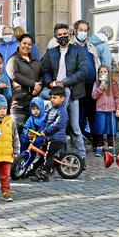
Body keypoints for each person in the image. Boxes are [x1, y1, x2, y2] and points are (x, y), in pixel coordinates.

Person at [41, 23, 88, 168]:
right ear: (55, 36)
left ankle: (81, 157)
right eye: (59, 34)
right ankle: (61, 156)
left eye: (64, 34)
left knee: (74, 126)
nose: (62, 36)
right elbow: (46, 71)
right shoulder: (51, 52)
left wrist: (65, 82)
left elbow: (82, 71)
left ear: (70, 34)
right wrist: (50, 83)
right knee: (57, 123)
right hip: (55, 92)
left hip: (72, 92)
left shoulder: (78, 50)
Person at [71, 20, 101, 141]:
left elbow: (96, 62)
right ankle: (81, 138)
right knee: (79, 114)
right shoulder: (71, 45)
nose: (83, 33)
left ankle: (95, 139)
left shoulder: (90, 46)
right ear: (75, 31)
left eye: (85, 30)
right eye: (80, 30)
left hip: (91, 85)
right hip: (77, 84)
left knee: (93, 112)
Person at [6, 33, 42, 132]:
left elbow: (42, 75)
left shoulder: (35, 60)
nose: (26, 46)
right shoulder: (13, 59)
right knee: (16, 135)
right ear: (19, 43)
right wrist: (32, 84)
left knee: (31, 135)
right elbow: (14, 74)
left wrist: (39, 86)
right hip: (19, 104)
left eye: (29, 44)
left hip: (33, 104)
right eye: (24, 43)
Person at [34, 87, 69, 182]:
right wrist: (39, 131)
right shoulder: (51, 110)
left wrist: (46, 131)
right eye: (51, 97)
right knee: (41, 153)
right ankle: (34, 169)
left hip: (57, 139)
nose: (52, 100)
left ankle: (45, 173)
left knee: (49, 155)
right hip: (49, 138)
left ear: (62, 99)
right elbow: (44, 122)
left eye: (55, 97)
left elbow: (57, 125)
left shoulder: (62, 112)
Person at [92, 65, 119, 156]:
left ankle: (111, 148)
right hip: (100, 110)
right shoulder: (96, 84)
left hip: (111, 110)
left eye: (105, 72)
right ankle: (100, 147)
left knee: (111, 129)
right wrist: (100, 88)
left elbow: (117, 97)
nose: (103, 73)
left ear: (108, 73)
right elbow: (93, 96)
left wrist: (118, 109)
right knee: (100, 129)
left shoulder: (113, 84)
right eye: (101, 72)